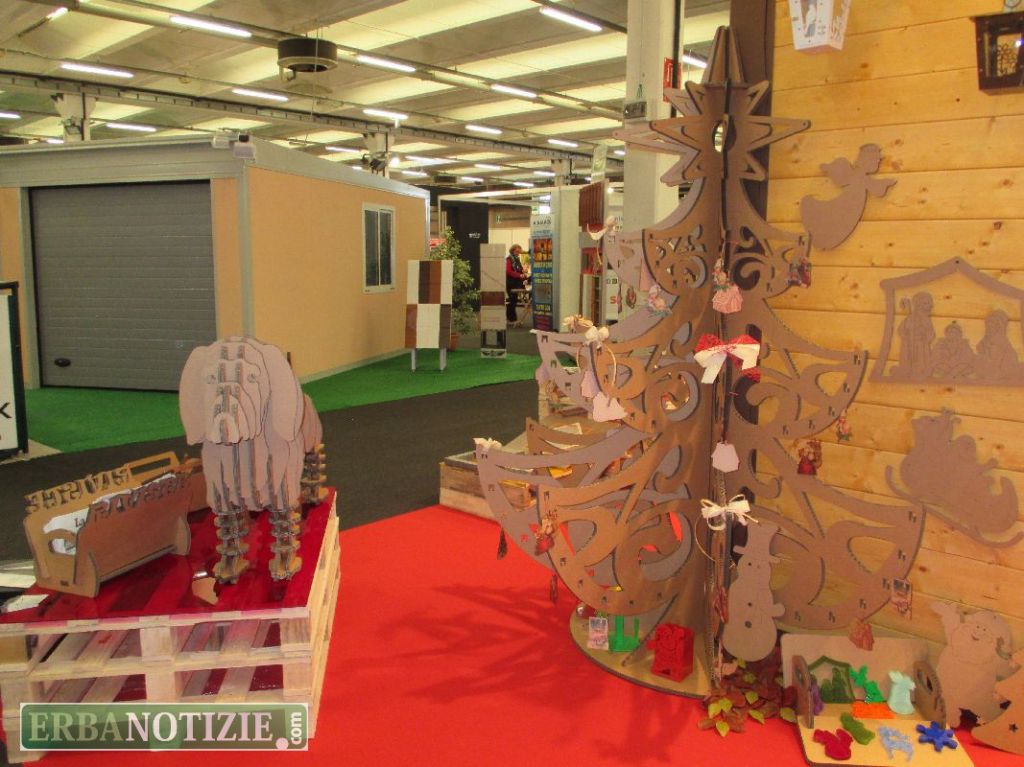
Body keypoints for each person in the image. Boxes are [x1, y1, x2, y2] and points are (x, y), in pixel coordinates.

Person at [505, 244, 528, 324]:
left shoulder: (517, 260)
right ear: (513, 251)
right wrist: (519, 275)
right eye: (517, 251)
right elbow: (508, 271)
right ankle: (511, 319)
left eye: (519, 251)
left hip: (516, 283)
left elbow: (520, 271)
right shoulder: (509, 259)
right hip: (511, 283)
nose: (518, 253)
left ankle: (511, 319)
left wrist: (524, 274)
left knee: (513, 301)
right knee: (513, 301)